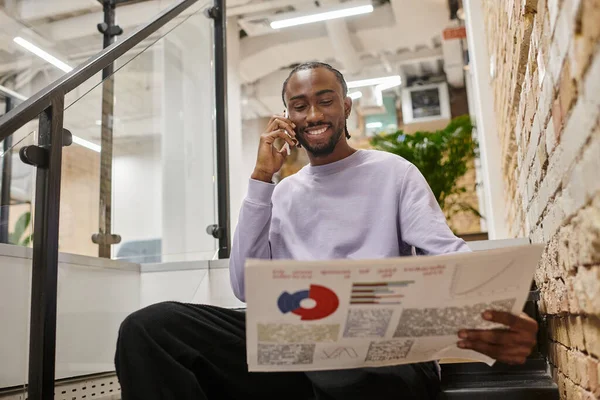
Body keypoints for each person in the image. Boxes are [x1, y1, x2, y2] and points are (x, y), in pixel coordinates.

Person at [115, 62, 538, 400]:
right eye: (299, 106)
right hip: (298, 349)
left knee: (345, 363)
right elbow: (246, 288)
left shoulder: (393, 172)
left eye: (325, 100)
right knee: (150, 328)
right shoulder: (281, 193)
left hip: (380, 354)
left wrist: (501, 304)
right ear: (287, 118)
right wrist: (263, 177)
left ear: (346, 107)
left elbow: (445, 254)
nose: (313, 114)